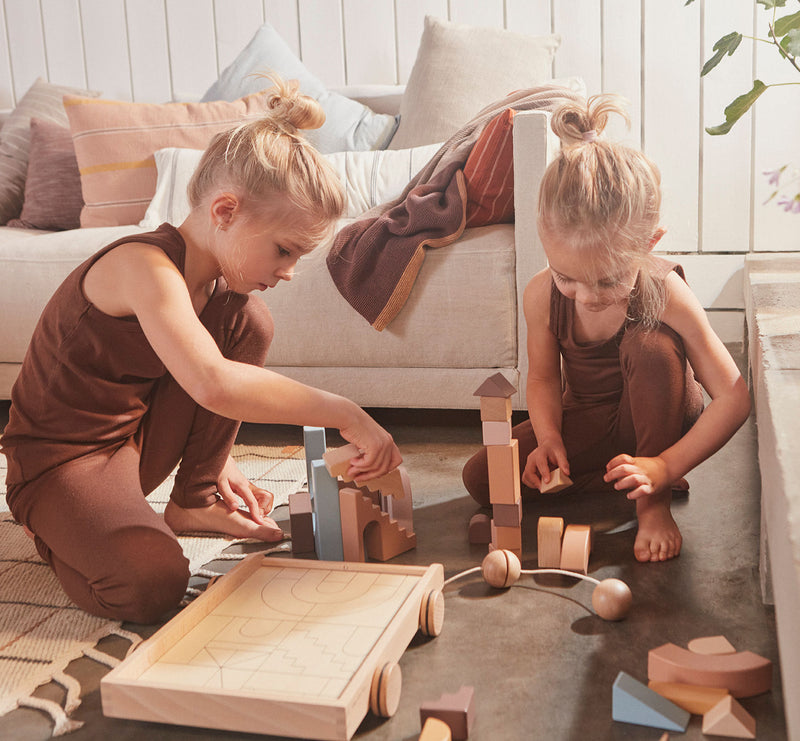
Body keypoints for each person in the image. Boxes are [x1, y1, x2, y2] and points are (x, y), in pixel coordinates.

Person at [0, 77, 401, 624]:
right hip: (60, 463)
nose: (286, 273)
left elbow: (185, 384)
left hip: (129, 446)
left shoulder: (219, 295)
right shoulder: (143, 267)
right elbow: (212, 384)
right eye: (283, 251)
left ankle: (195, 498)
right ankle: (49, 527)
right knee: (152, 581)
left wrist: (213, 458)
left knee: (249, 323)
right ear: (225, 212)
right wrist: (347, 414)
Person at [462, 94, 751, 563]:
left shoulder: (664, 290)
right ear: (542, 235)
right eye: (567, 277)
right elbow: (542, 378)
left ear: (649, 243)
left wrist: (666, 462)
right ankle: (623, 476)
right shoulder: (541, 294)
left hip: (663, 411)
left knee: (650, 343)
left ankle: (652, 500)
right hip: (594, 418)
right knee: (483, 479)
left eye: (610, 279)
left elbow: (735, 396)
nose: (587, 296)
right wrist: (549, 437)